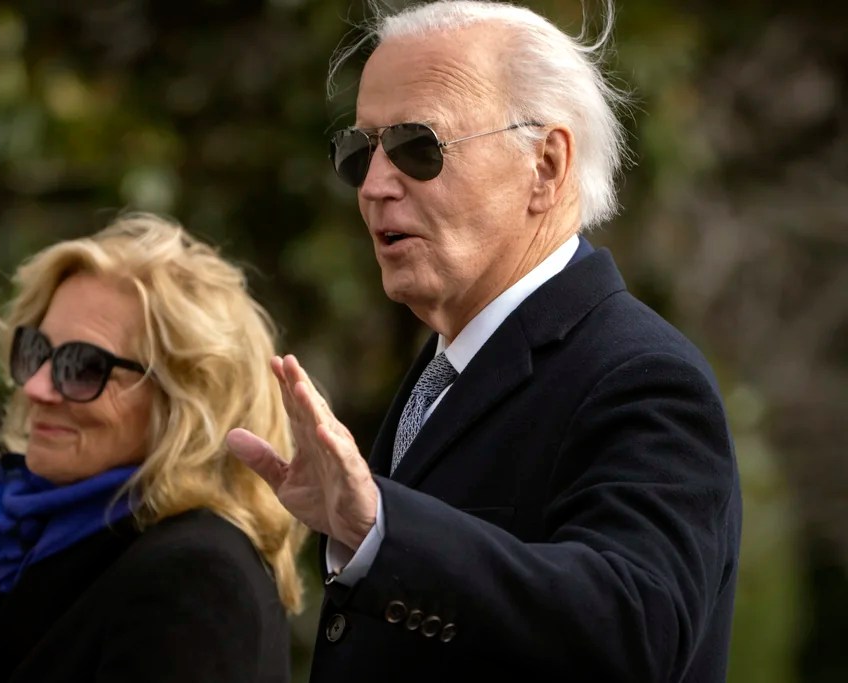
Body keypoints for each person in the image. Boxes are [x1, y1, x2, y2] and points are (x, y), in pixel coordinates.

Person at [226, 1, 742, 681]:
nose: (375, 186)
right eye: (360, 152)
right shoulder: (448, 363)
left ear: (546, 166)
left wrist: (383, 526)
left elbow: (635, 632)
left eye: (417, 146)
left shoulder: (641, 375)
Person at [0, 213, 306, 683]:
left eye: (84, 367)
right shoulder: (64, 545)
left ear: (184, 404)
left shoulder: (194, 578)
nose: (36, 388)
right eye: (36, 351)